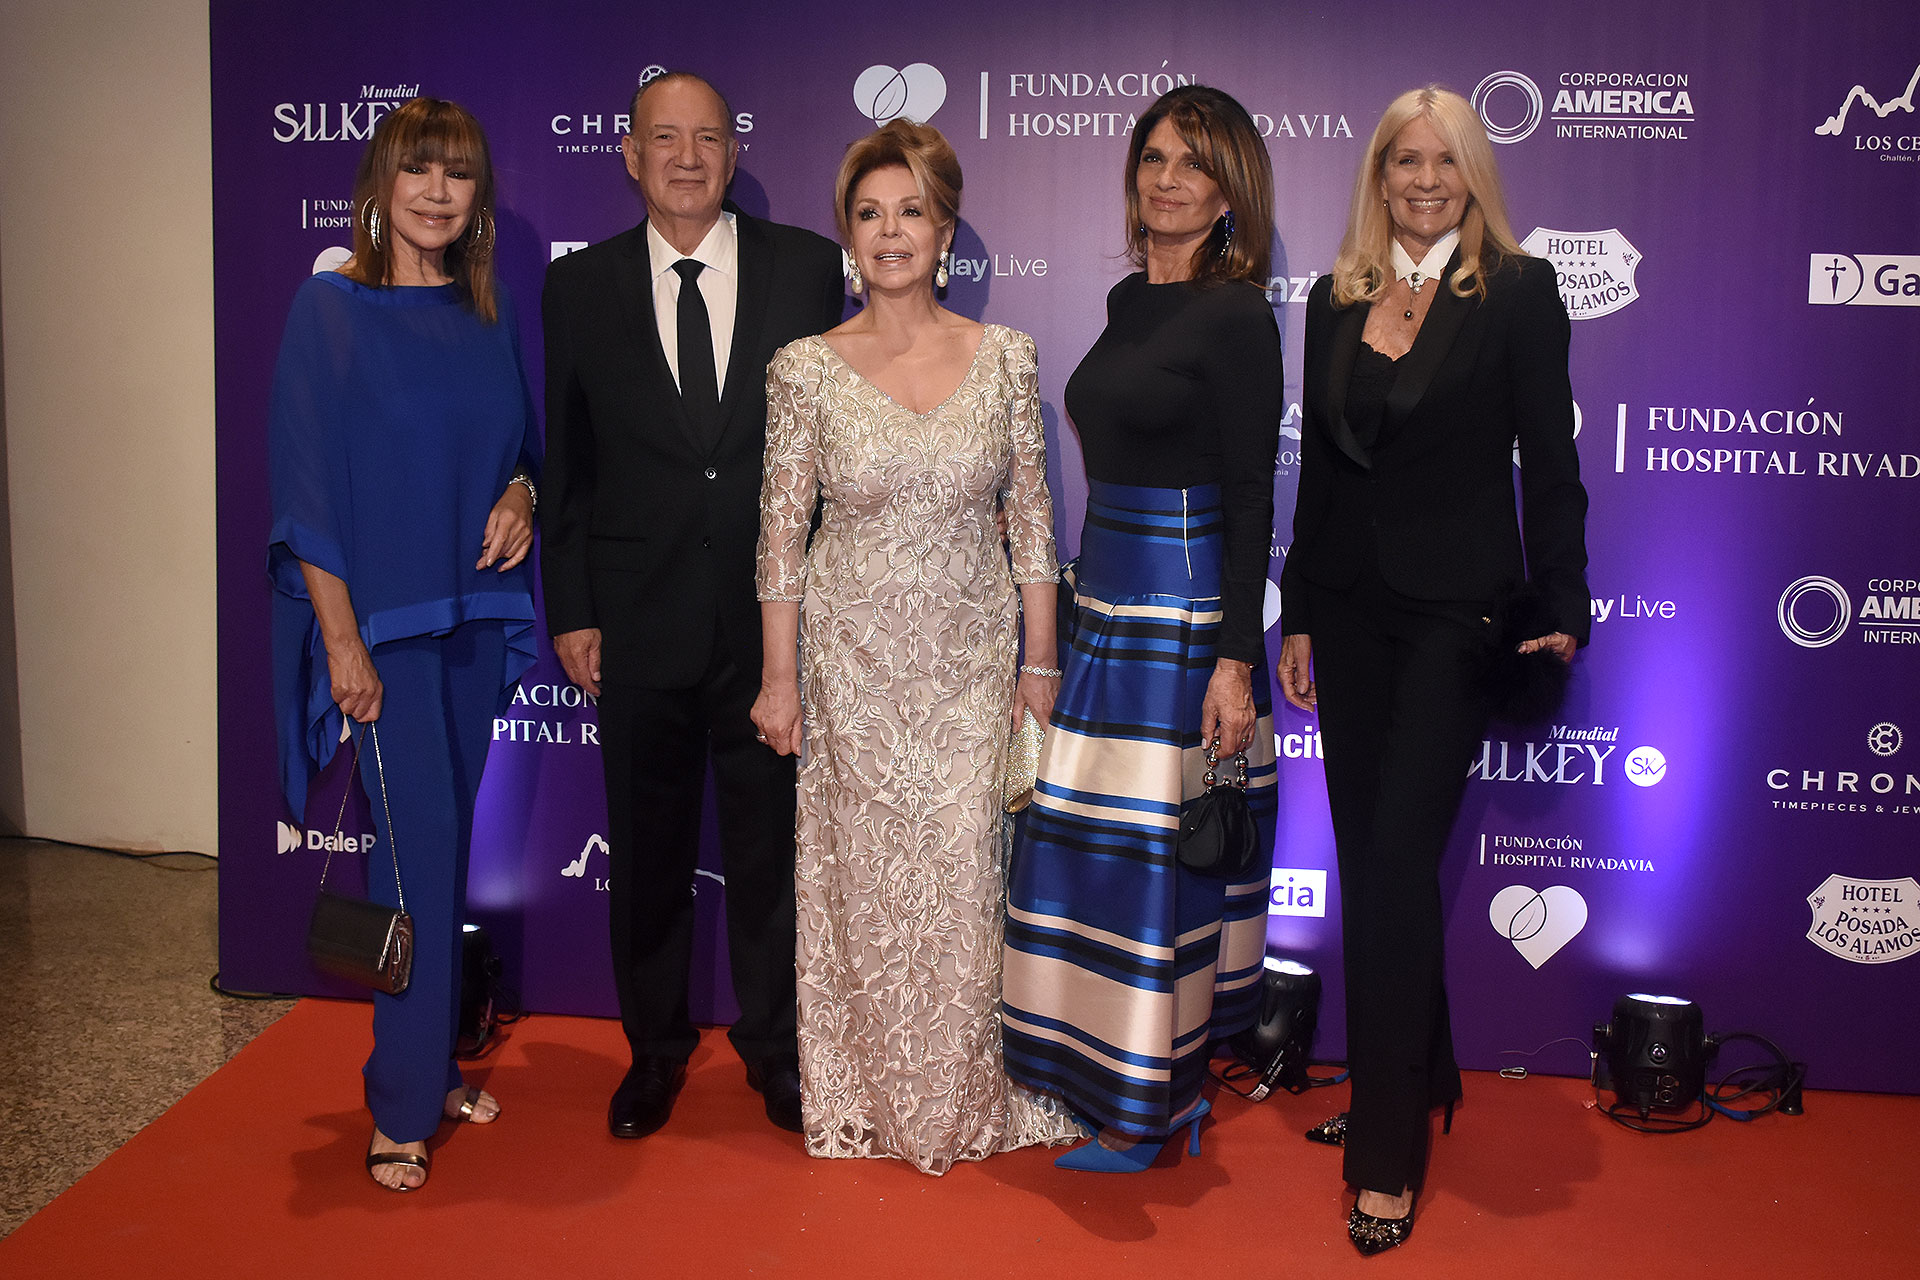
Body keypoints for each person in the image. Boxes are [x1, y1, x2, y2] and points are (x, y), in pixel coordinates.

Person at [1277, 85, 1590, 1254]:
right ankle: (1420, 1074)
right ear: (1378, 173)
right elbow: (1319, 470)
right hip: (1350, 615)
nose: (1422, 179)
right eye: (1403, 160)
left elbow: (1550, 456)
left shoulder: (1515, 290)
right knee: (1376, 863)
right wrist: (1298, 611)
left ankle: (1387, 1151)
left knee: (1401, 858)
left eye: (1443, 161)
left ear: (1474, 174)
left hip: (1454, 615)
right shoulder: (1335, 294)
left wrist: (1562, 598)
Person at [750, 119, 1083, 1175]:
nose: (891, 232)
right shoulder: (804, 368)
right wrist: (777, 676)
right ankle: (875, 1095)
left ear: (944, 229)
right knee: (864, 889)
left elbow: (1034, 528)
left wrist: (1041, 665)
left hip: (971, 667)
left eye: (912, 211)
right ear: (848, 233)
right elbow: (779, 539)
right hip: (850, 668)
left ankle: (972, 1092)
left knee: (965, 881)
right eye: (869, 212)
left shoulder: (1005, 357)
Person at [540, 71, 844, 1140]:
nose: (685, 156)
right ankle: (655, 1054)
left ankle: (778, 1053)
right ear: (628, 155)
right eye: (663, 137)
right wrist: (572, 607)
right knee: (650, 859)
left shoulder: (808, 270)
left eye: (706, 137)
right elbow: (567, 469)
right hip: (636, 622)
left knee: (773, 864)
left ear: (733, 152)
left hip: (772, 633)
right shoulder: (577, 289)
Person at [1000, 85, 1284, 1173]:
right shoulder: (1128, 306)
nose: (1167, 178)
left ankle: (1156, 1107)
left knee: (1162, 867)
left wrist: (1231, 658)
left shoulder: (1237, 313)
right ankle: (1119, 1079)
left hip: (1180, 615)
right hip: (1103, 605)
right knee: (1100, 859)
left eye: (1194, 164)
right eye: (1154, 157)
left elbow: (1252, 493)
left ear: (1231, 192)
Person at [267, 97, 538, 1191]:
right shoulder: (329, 308)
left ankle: (424, 1068)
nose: (436, 191)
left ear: (478, 197)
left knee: (427, 852)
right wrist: (342, 644)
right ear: (380, 182)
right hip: (380, 637)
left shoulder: (487, 308)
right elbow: (306, 490)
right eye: (417, 170)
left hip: (474, 621)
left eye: (458, 174)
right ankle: (401, 1103)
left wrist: (523, 489)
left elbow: (521, 448)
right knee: (420, 855)